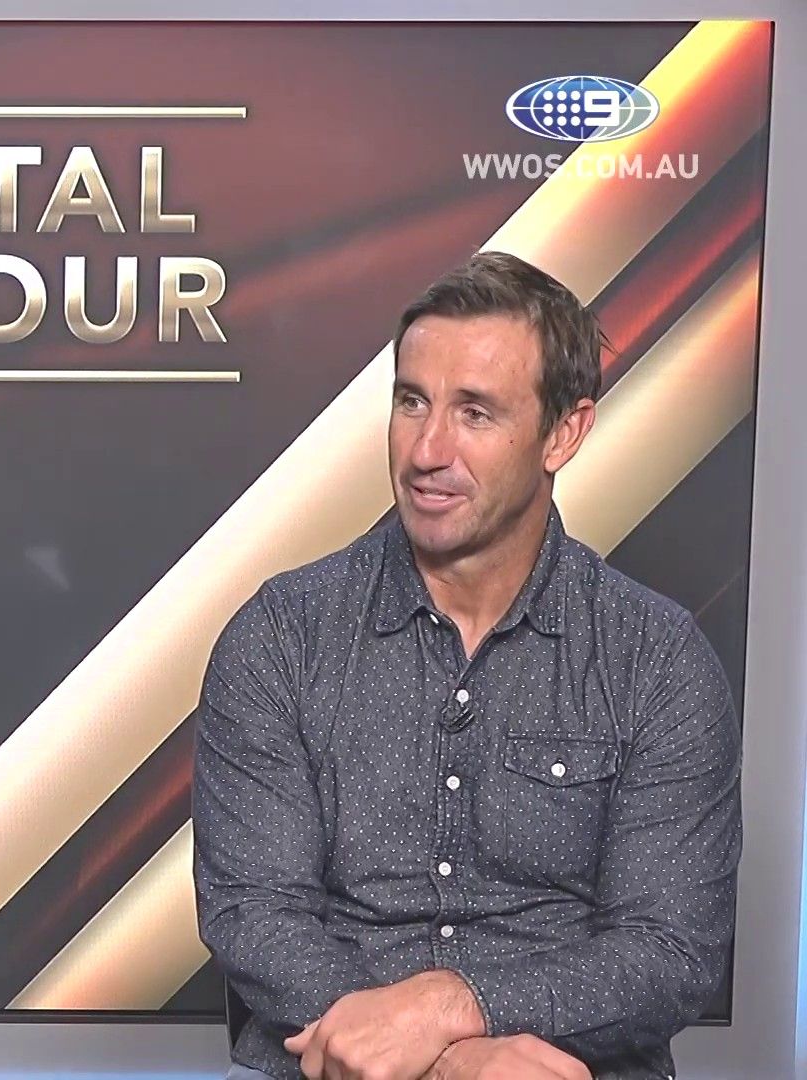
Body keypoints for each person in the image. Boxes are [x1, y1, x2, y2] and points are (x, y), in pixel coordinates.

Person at [193, 253, 741, 1080]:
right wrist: (451, 1066)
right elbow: (256, 914)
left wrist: (456, 1008)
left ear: (565, 432)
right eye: (412, 401)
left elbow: (668, 950)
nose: (427, 449)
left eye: (475, 413)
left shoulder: (656, 660)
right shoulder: (282, 636)